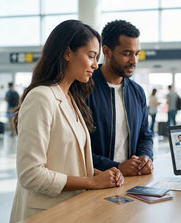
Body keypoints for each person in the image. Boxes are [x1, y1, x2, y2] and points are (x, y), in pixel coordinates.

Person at [9, 20, 124, 222]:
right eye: (91, 56)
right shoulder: (41, 98)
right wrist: (92, 182)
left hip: (72, 209)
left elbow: (68, 163)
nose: (96, 65)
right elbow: (30, 174)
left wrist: (101, 175)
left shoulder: (71, 97)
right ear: (67, 53)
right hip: (46, 214)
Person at [86, 20, 153, 177]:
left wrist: (146, 158)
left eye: (136, 54)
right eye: (127, 53)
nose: (134, 61)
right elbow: (77, 149)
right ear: (107, 52)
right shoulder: (84, 89)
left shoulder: (137, 92)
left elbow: (145, 136)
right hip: (94, 180)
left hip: (130, 181)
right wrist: (116, 167)